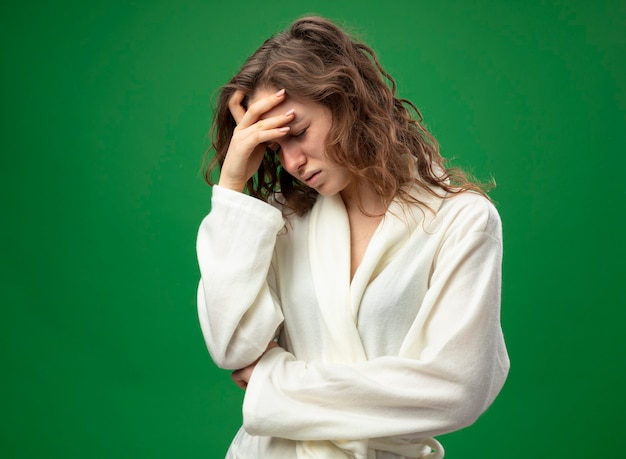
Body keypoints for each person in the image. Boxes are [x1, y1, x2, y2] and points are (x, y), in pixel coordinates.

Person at [196, 16, 509, 459]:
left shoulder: (462, 221)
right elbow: (233, 347)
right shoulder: (285, 221)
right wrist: (230, 187)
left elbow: (456, 388)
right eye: (275, 148)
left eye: (298, 133)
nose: (292, 162)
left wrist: (274, 386)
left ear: (345, 100)